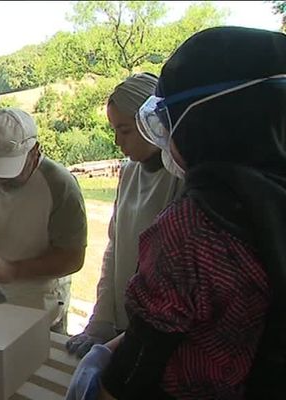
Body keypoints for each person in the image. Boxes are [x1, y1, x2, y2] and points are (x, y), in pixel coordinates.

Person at [68, 26, 286, 400]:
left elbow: (139, 363)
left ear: (205, 122)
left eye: (167, 121)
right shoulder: (269, 196)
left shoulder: (192, 226)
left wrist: (102, 376)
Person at [66, 73, 183, 358]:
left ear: (152, 121)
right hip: (121, 321)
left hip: (157, 332)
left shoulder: (181, 176)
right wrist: (100, 322)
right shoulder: (129, 172)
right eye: (114, 130)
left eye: (125, 130)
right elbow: (113, 249)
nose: (117, 141)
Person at [0, 107, 87, 333]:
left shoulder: (59, 184)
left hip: (42, 309)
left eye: (9, 169)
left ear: (34, 151)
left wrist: (14, 270)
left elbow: (73, 258)